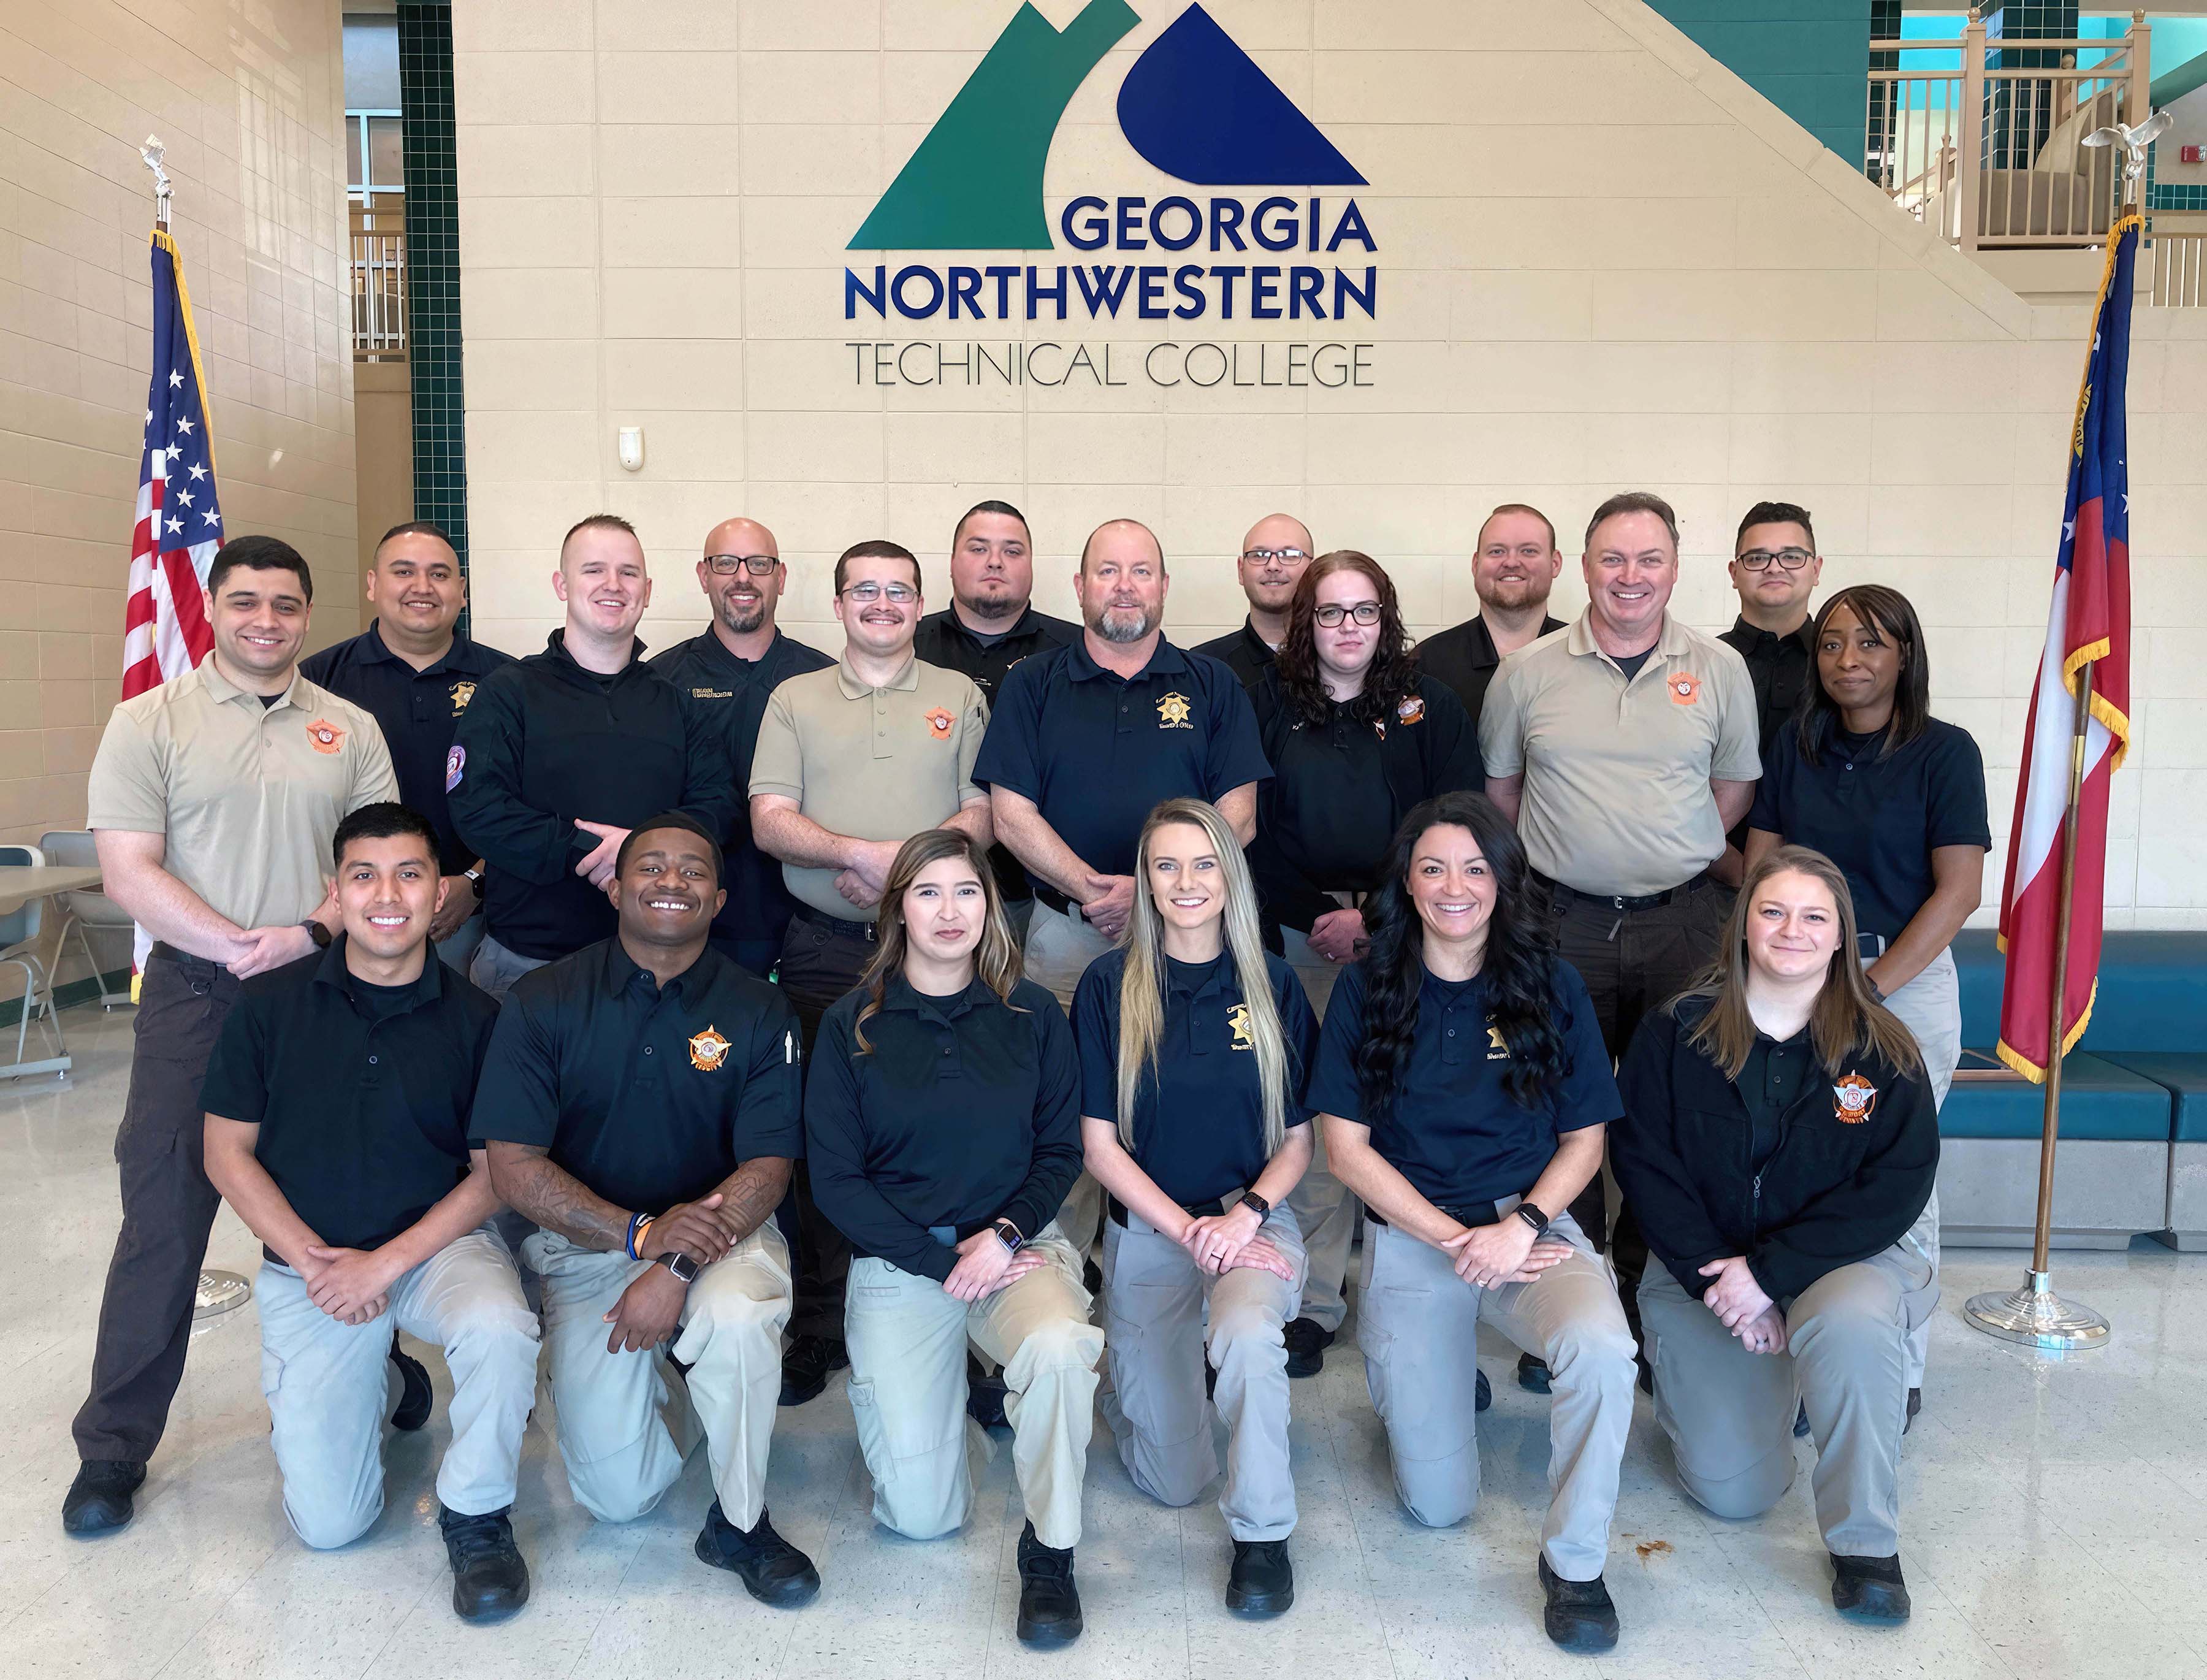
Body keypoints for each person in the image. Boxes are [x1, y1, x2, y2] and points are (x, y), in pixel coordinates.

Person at [68, 535, 399, 1536]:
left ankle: (381, 1381)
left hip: (322, 992)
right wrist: (232, 946)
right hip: (193, 996)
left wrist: (303, 935)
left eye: (287, 604)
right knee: (166, 1221)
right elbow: (129, 870)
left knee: (347, 1201)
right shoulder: (148, 722)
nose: (267, 619)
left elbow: (378, 872)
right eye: (246, 600)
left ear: (308, 614)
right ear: (213, 606)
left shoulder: (350, 728)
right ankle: (113, 1449)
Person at [1311, 792, 1637, 1652]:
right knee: (1437, 1506)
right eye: (1433, 868)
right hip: (1417, 1234)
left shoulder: (1550, 981)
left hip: (1524, 1230)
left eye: (1475, 867)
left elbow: (1585, 1139)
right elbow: (1344, 1150)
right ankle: (1427, 1376)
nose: (1455, 886)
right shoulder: (1367, 985)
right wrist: (1448, 1239)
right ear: (1408, 885)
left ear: (1502, 880)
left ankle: (1575, 1565)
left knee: (1604, 1347)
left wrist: (1523, 1224)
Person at [473, 815, 818, 1606]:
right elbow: (514, 1168)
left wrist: (675, 1259)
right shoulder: (543, 999)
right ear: (618, 886)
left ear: (721, 897)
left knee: (734, 1322)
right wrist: (635, 1234)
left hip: (721, 1234)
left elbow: (769, 1166)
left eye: (694, 871)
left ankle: (741, 1520)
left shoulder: (759, 1008)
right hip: (589, 1244)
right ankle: (658, 1383)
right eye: (652, 867)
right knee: (620, 1499)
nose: (672, 882)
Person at [200, 803, 535, 1617]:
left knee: (501, 1326)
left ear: (439, 895)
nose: (388, 894)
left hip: (434, 1248)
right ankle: (386, 1378)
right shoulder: (268, 1008)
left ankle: (477, 1512)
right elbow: (225, 1154)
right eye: (365, 875)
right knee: (332, 1528)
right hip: (309, 1261)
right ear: (336, 893)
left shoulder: (481, 1020)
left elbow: (495, 1176)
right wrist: (315, 1262)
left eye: (410, 874)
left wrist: (384, 1268)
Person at [1614, 846, 1938, 1625]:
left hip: (1836, 1265)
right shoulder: (1675, 1032)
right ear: (1744, 926)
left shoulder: (1885, 1050)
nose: (1792, 930)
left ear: (1839, 938)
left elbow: (1894, 1189)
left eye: (1814, 917)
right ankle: (1751, 1388)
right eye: (1773, 911)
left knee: (1852, 1323)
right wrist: (1722, 1283)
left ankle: (1866, 1548)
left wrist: (1772, 1276)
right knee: (1734, 1495)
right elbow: (1645, 1167)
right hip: (1706, 1272)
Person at [1480, 491, 1759, 1384]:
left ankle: (1643, 1292)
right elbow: (1504, 799)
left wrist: (1657, 854)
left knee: (1666, 1120)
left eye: (1649, 560)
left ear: (1676, 569)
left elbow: (1728, 800)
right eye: (1613, 559)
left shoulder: (1718, 670)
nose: (1630, 577)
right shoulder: (1527, 673)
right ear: (1584, 566)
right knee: (1559, 1116)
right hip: (1562, 924)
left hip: (1685, 926)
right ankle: (1571, 1298)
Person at [804, 830, 1100, 1646]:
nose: (948, 910)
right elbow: (835, 1181)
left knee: (1060, 1345)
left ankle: (1051, 1552)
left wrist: (1002, 1238)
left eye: (965, 892)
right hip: (906, 1259)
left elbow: (1060, 1151)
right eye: (927, 892)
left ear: (990, 908)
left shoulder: (1032, 1012)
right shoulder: (850, 1023)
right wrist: (940, 1262)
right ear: (898, 906)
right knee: (921, 1519)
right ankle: (959, 1402)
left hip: (1010, 1251)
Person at [977, 517, 1271, 1254]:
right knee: (1063, 1112)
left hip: (1192, 942)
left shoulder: (1212, 683)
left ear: (1165, 586)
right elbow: (1010, 816)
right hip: (1064, 940)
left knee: (1178, 1105)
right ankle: (1060, 1286)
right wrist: (1089, 889)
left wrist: (1150, 896)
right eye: (1107, 571)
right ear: (1079, 587)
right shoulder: (1033, 684)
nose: (1125, 586)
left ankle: (1183, 1275)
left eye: (1141, 571)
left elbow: (1241, 814)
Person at [749, 538, 992, 1402]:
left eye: (899, 591)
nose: (882, 604)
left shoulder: (958, 696)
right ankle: (819, 1322)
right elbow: (770, 820)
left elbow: (983, 813)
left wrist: (909, 876)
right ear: (839, 602)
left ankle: (963, 1314)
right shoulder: (795, 698)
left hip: (939, 948)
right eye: (865, 590)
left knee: (945, 1129)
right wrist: (861, 852)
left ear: (919, 603)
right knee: (825, 1142)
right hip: (822, 949)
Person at [1745, 586, 1986, 1424]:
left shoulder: (1945, 754)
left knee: (1896, 1173)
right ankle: (1815, 1347)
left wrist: (1867, 991)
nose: (1850, 660)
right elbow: (1761, 873)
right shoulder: (1797, 745)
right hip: (1793, 983)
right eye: (1833, 644)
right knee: (1801, 1163)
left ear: (1905, 655)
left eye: (1871, 644)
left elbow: (1957, 892)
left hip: (1901, 987)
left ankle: (1898, 1365)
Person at [1075, 799, 1317, 1616]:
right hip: (1153, 1227)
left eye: (1204, 863)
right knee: (1176, 1483)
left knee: (1247, 1334)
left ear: (1230, 875)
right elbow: (1100, 1148)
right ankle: (1130, 1368)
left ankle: (1262, 1537)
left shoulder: (1272, 980)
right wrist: (1190, 1233)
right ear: (1144, 880)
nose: (1187, 882)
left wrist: (1242, 1218)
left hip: (1251, 1218)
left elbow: (1299, 1141)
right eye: (1167, 865)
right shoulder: (1110, 985)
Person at [1248, 552, 1481, 1380]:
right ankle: (1310, 1305)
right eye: (1330, 612)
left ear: (1387, 620)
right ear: (1304, 623)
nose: (1349, 628)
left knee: (1406, 1119)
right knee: (1313, 1124)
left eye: (1365, 611)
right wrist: (1320, 916)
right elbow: (1250, 827)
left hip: (1417, 941)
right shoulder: (1267, 702)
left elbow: (1457, 827)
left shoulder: (1431, 709)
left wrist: (1378, 918)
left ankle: (1416, 1301)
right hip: (1300, 941)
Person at [448, 513, 734, 1000]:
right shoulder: (509, 692)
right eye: (593, 570)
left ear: (647, 589)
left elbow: (718, 805)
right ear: (562, 585)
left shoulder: (677, 701)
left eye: (628, 573)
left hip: (659, 962)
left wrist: (637, 849)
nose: (613, 585)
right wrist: (591, 850)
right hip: (527, 963)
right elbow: (478, 809)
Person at [300, 521, 512, 972]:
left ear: (462, 590)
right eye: (403, 572)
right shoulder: (317, 682)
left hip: (474, 923)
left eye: (439, 574)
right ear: (373, 585)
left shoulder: (511, 683)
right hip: (347, 922)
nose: (423, 587)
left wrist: (475, 883)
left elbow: (534, 799)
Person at [649, 516, 833, 978]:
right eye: (727, 563)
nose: (743, 577)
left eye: (760, 563)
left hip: (810, 923)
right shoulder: (660, 682)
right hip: (694, 921)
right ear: (704, 575)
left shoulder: (825, 680)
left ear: (782, 577)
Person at [913, 498, 1079, 938]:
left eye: (1012, 550)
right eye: (978, 548)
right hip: (920, 888)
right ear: (951, 562)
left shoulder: (1076, 653)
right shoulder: (905, 644)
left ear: (1031, 565)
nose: (995, 562)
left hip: (1046, 899)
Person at [1715, 502, 1824, 887]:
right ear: (1734, 572)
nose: (1775, 567)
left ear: (1816, 569)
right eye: (1757, 557)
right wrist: (1732, 869)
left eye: (1792, 556)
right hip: (1704, 882)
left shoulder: (1847, 669)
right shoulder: (1699, 665)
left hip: (1823, 888)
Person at [1415, 503, 1568, 731]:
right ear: (1476, 564)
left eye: (1529, 551)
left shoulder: (1587, 658)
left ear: (1555, 564)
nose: (1512, 562)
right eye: (1497, 551)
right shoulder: (1425, 665)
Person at [1194, 513, 1316, 690]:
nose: (1273, 565)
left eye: (1290, 554)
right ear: (1241, 570)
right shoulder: (1204, 667)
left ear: (1313, 569)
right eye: (1259, 554)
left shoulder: (1342, 659)